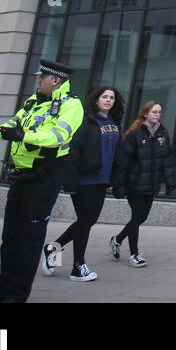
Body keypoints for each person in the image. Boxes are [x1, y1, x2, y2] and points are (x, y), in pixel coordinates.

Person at [0, 59, 84, 303]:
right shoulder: (32, 103)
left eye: (42, 77)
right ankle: (1, 291)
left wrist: (23, 134)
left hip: (43, 178)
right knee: (10, 238)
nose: (38, 81)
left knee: (29, 239)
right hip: (20, 177)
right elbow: (9, 127)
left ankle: (16, 295)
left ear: (56, 80)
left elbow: (58, 136)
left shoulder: (71, 105)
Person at [44, 86, 123, 283]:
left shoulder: (114, 123)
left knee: (87, 221)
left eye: (111, 97)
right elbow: (75, 152)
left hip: (102, 180)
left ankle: (53, 248)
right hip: (85, 179)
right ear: (96, 100)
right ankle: (78, 266)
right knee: (86, 221)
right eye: (104, 96)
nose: (108, 100)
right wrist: (70, 181)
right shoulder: (86, 122)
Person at [111, 101, 176, 267]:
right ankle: (134, 254)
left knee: (141, 218)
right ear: (145, 113)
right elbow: (124, 162)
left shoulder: (162, 133)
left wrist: (170, 184)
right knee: (137, 216)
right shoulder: (135, 134)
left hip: (151, 184)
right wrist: (119, 185)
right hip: (135, 184)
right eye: (154, 112)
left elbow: (167, 161)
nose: (157, 115)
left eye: (159, 112)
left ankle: (117, 240)